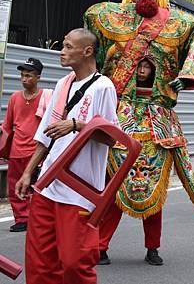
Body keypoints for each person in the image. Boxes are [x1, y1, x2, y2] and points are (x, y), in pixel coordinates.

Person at [85, 0, 194, 266]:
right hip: (120, 117)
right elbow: (93, 62)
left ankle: (152, 246)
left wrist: (188, 75)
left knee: (154, 188)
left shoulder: (181, 25)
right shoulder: (105, 18)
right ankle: (100, 245)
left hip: (159, 121)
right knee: (113, 187)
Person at [14, 28, 118, 284]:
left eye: (69, 46)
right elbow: (45, 133)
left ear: (87, 51)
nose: (62, 51)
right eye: (63, 46)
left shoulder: (103, 87)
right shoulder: (63, 84)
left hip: (79, 190)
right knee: (40, 262)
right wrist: (28, 172)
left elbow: (112, 136)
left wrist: (78, 125)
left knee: (75, 263)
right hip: (48, 185)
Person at [1, 58, 52, 232]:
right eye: (22, 75)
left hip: (36, 151)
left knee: (36, 186)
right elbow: (7, 126)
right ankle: (21, 218)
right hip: (17, 150)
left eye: (29, 75)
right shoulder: (15, 98)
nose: (24, 79)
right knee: (15, 185)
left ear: (38, 77)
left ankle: (35, 217)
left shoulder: (47, 97)